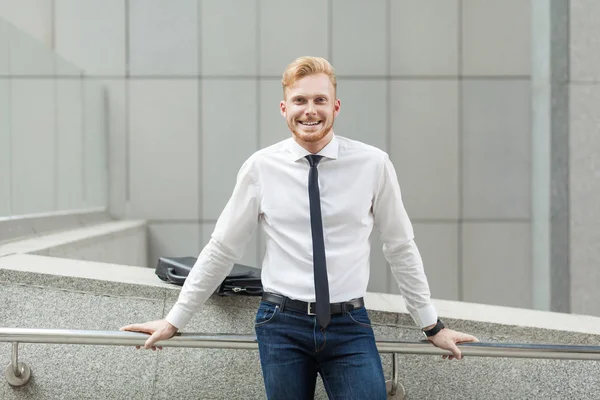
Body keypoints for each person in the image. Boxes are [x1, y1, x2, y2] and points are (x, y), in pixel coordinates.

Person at [121, 56, 478, 399]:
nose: (310, 110)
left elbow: (400, 247)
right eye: (300, 100)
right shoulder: (260, 168)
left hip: (349, 324)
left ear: (336, 106)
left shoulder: (373, 165)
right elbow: (223, 248)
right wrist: (174, 319)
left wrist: (432, 325)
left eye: (320, 99)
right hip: (281, 324)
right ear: (285, 108)